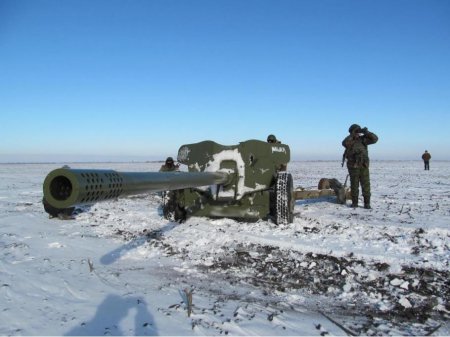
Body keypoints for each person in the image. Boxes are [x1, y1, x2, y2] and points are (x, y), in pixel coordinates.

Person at [342, 124, 378, 209]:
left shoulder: (363, 140)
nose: (358, 133)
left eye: (358, 131)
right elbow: (344, 143)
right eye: (356, 131)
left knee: (366, 184)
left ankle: (367, 203)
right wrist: (352, 135)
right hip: (353, 166)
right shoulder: (349, 141)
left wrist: (366, 132)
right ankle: (355, 203)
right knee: (354, 185)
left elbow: (375, 139)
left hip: (363, 165)